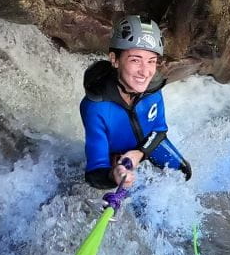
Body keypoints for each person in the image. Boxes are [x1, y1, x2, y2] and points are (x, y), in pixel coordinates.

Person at [80, 15, 192, 189]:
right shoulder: (96, 106)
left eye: (151, 61)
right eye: (135, 60)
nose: (145, 72)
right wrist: (114, 174)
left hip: (145, 147)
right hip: (116, 158)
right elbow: (95, 172)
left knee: (184, 174)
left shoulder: (152, 88)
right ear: (114, 59)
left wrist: (139, 153)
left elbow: (159, 130)